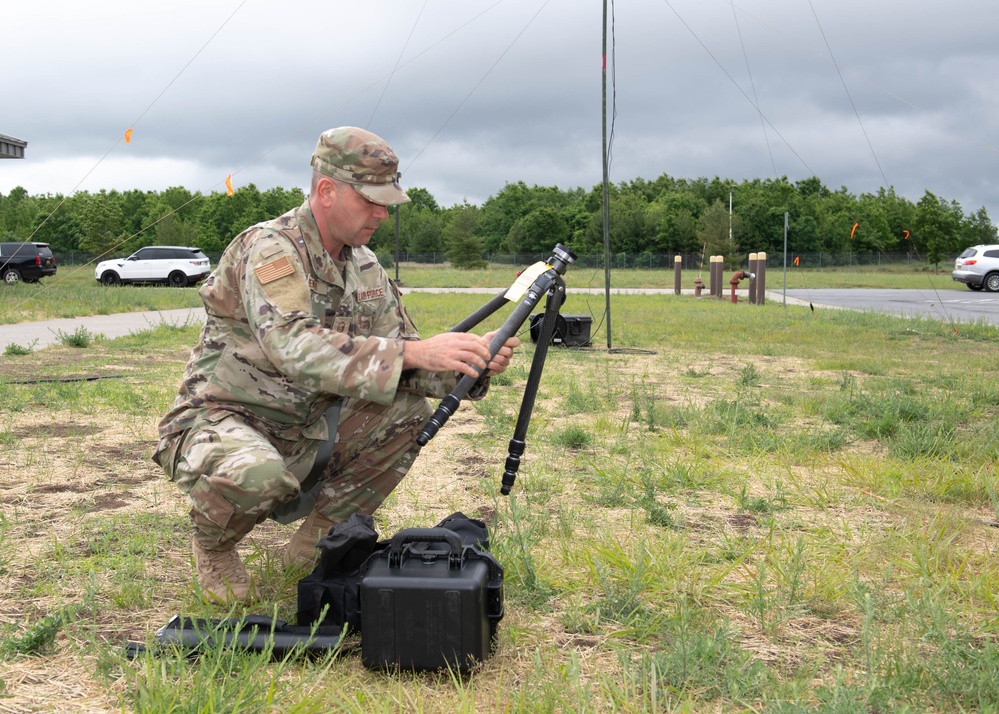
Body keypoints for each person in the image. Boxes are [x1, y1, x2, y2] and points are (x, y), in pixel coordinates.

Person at [152, 126, 519, 603]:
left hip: (308, 423)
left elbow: (401, 360)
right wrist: (416, 352)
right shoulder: (270, 249)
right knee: (259, 477)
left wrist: (467, 367)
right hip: (226, 418)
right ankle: (214, 545)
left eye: (387, 202)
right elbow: (292, 346)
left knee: (406, 414)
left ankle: (313, 544)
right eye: (371, 201)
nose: (382, 214)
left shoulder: (364, 265)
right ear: (327, 191)